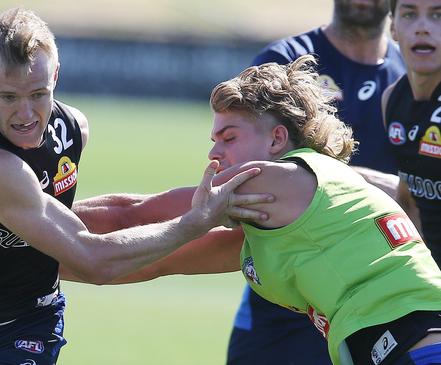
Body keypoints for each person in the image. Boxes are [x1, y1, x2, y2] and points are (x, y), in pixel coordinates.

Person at [0, 8, 273, 365]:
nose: (26, 114)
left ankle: (277, 223)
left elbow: (108, 215)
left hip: (32, 319)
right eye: (8, 96)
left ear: (56, 77)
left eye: (39, 94)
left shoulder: (72, 127)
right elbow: (92, 261)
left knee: (130, 214)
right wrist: (194, 223)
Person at [76, 55, 441, 365]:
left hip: (422, 344)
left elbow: (131, 214)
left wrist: (26, 213)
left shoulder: (274, 179)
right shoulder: (276, 224)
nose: (214, 153)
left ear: (276, 139)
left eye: (229, 137)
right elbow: (153, 260)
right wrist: (30, 263)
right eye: (214, 140)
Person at [225, 1, 407, 363]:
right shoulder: (286, 61)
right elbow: (256, 172)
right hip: (286, 298)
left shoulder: (412, 74)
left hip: (376, 296)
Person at [383, 0, 441, 265]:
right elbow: (408, 200)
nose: (422, 28)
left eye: (437, 15)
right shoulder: (392, 99)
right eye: (409, 14)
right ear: (393, 27)